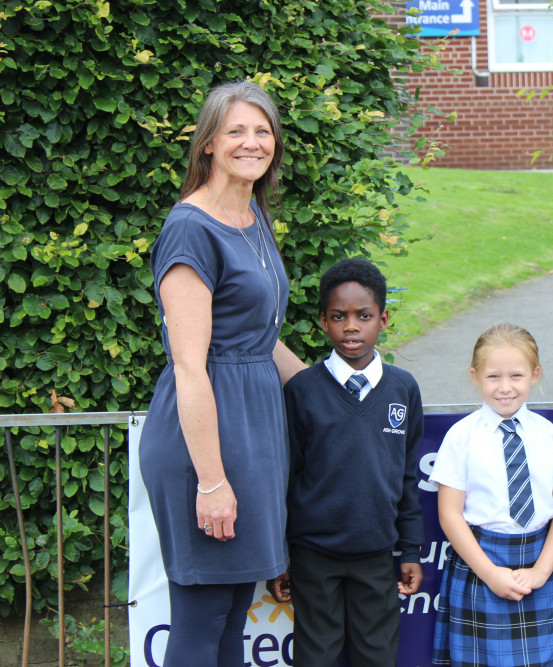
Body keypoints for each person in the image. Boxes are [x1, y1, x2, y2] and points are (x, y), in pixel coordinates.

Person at [139, 80, 307, 666]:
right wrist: (211, 481)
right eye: (236, 130)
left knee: (234, 614)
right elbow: (191, 363)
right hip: (204, 436)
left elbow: (258, 335)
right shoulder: (191, 226)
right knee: (201, 619)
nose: (252, 143)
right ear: (208, 142)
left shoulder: (254, 214)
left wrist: (321, 391)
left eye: (262, 131)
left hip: (253, 426)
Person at [266, 258, 425, 666]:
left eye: (363, 316)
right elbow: (286, 477)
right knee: (316, 655)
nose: (351, 326)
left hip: (376, 553)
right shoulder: (302, 390)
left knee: (377, 655)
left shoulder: (403, 389)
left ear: (383, 319)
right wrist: (280, 554)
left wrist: (409, 550)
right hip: (313, 554)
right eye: (339, 316)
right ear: (323, 321)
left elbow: (408, 476)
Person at [430, 323, 553, 667]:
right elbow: (450, 514)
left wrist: (541, 571)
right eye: (493, 376)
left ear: (535, 374)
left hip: (538, 563)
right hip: (480, 565)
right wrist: (491, 574)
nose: (505, 387)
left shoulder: (551, 436)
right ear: (475, 375)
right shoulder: (460, 437)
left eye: (516, 375)